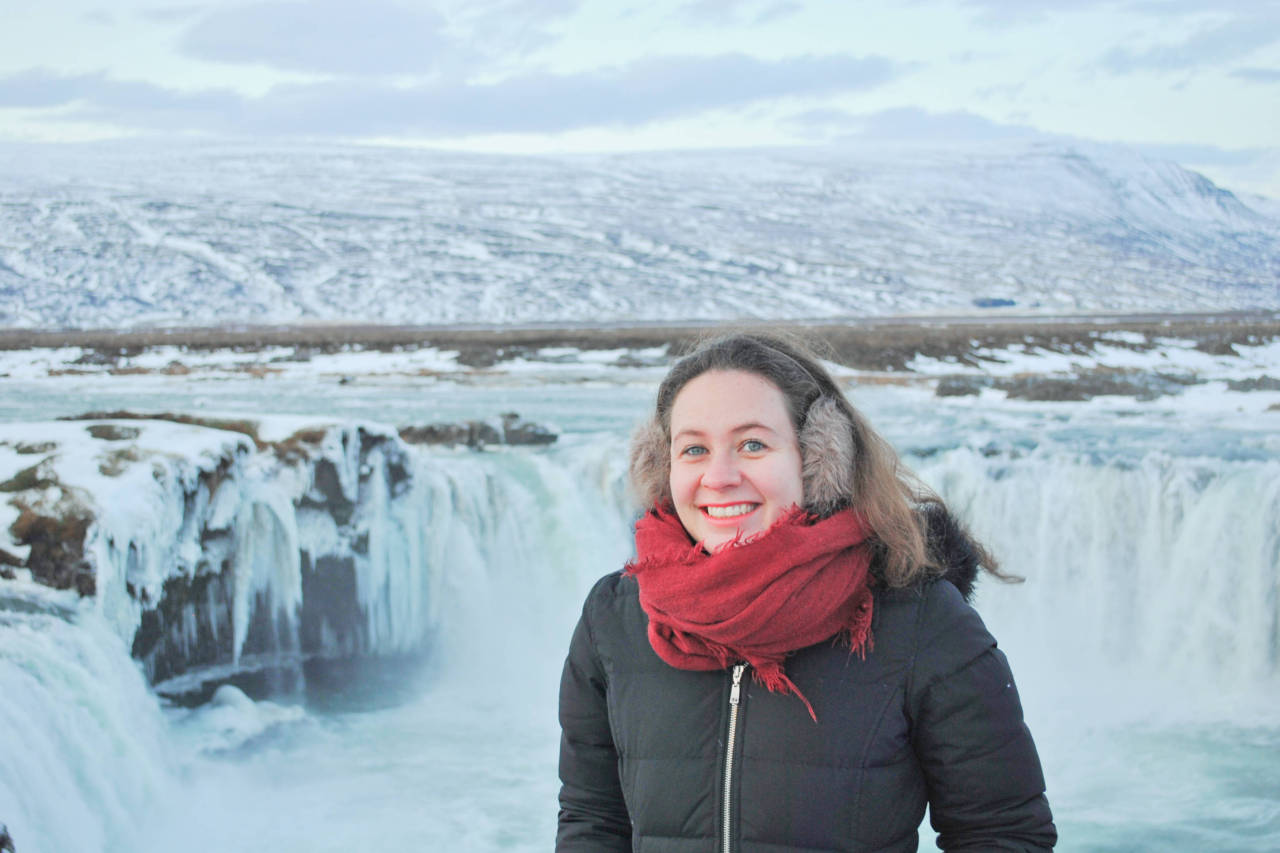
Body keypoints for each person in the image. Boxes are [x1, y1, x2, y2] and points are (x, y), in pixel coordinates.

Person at [556, 332, 1056, 852]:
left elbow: (1003, 833)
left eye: (753, 444)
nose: (719, 476)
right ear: (664, 465)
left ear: (819, 459)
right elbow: (592, 820)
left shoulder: (919, 618)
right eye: (694, 449)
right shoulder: (615, 617)